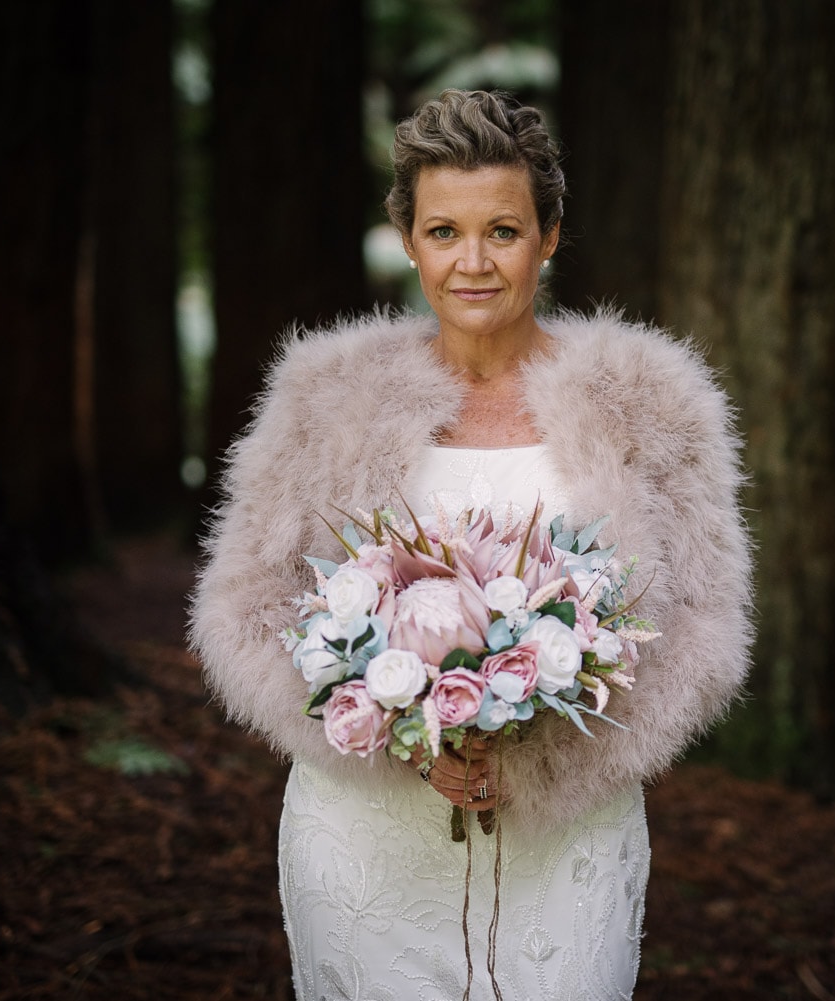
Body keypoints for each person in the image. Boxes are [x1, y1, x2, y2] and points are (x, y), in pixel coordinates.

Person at [190, 89, 752, 1000]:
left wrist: (540, 757)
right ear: (409, 240)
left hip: (565, 829)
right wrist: (395, 733)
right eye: (445, 232)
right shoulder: (323, 395)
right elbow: (243, 606)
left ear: (551, 236)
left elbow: (706, 628)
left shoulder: (651, 403)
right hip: (368, 835)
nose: (474, 262)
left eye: (504, 230)